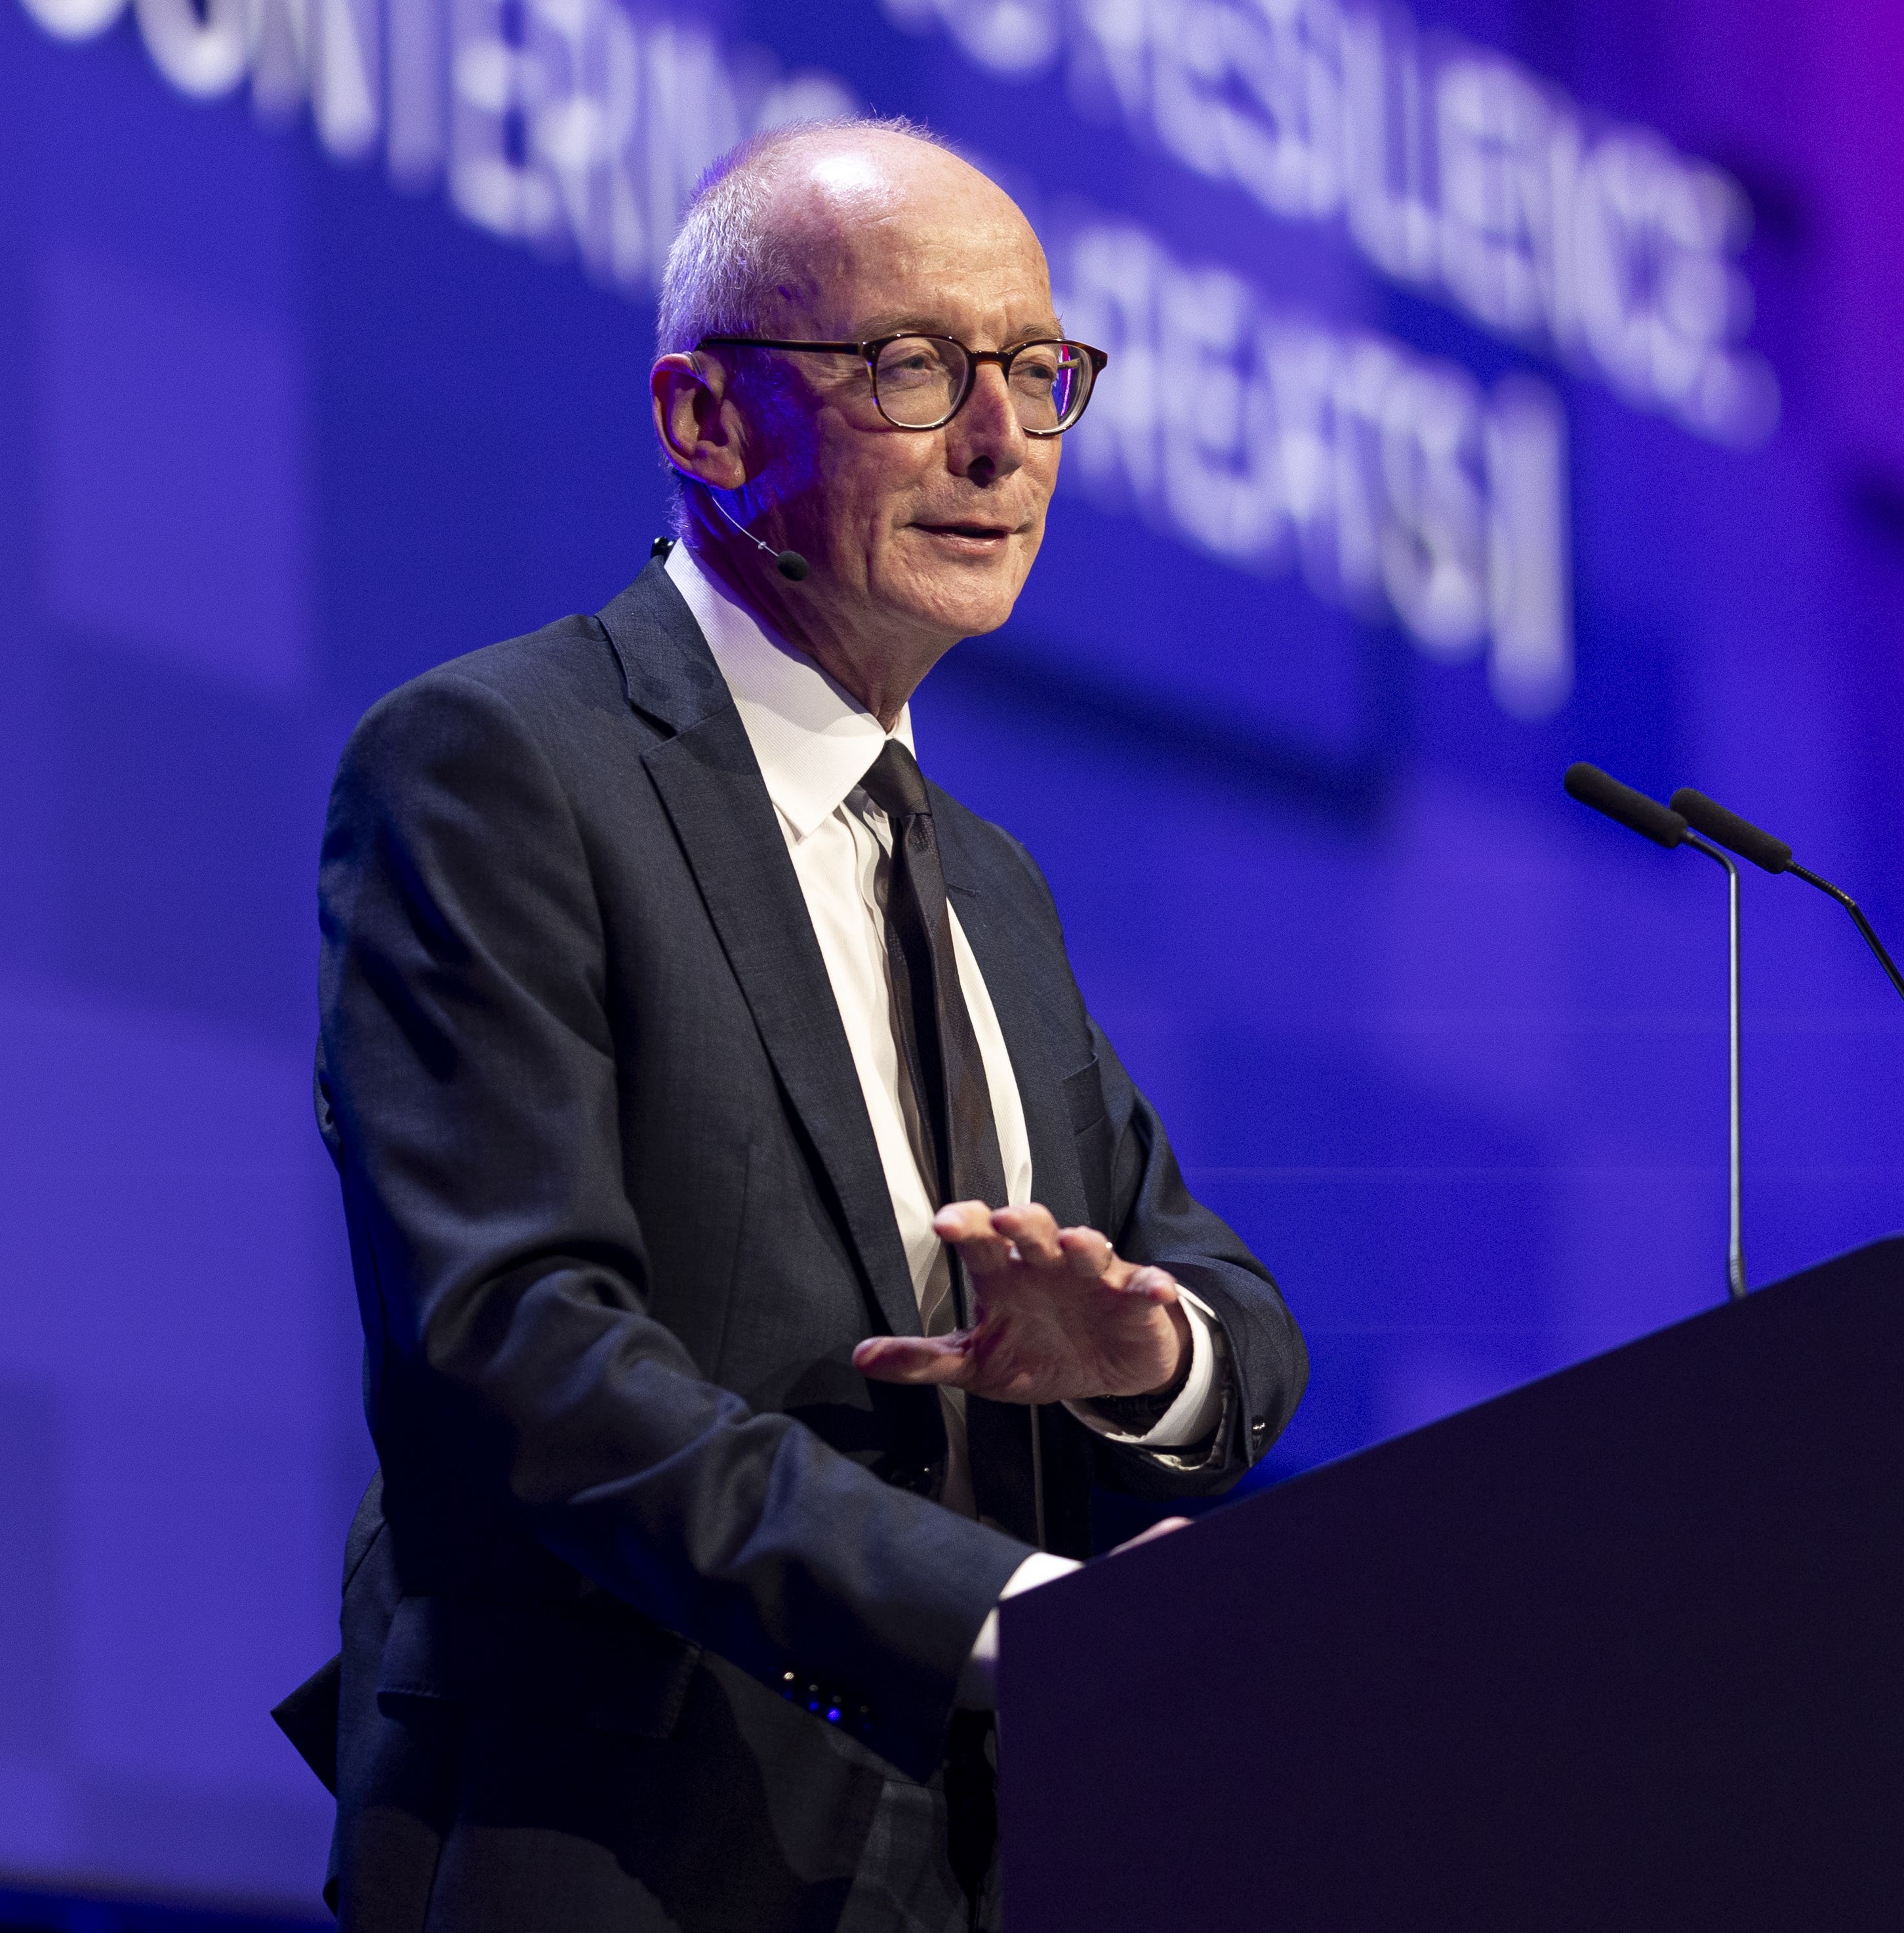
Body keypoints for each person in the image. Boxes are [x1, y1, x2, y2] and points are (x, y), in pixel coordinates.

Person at [276, 117, 1307, 1931]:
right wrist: (1004, 1619)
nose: (1002, 438)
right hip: (612, 1851)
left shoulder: (987, 880)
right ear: (706, 420)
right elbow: (521, 1349)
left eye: (1040, 374)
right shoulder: (501, 767)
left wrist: (1140, 1359)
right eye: (915, 366)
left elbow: (1228, 1320)